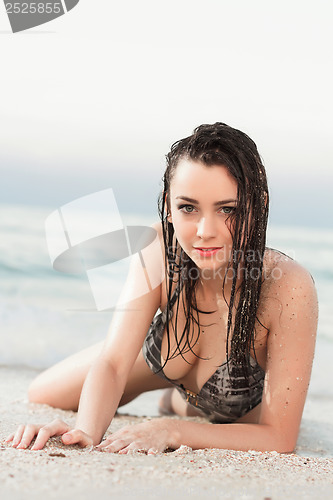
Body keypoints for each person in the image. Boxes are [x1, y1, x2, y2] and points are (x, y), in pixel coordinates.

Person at [6, 123, 318, 454]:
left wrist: (172, 430)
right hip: (168, 360)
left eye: (228, 209)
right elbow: (113, 362)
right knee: (43, 393)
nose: (204, 231)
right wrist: (86, 430)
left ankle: (180, 405)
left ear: (258, 205)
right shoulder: (158, 248)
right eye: (188, 207)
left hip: (236, 409)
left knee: (196, 413)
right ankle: (166, 395)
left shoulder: (288, 287)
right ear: (169, 204)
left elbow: (279, 438)